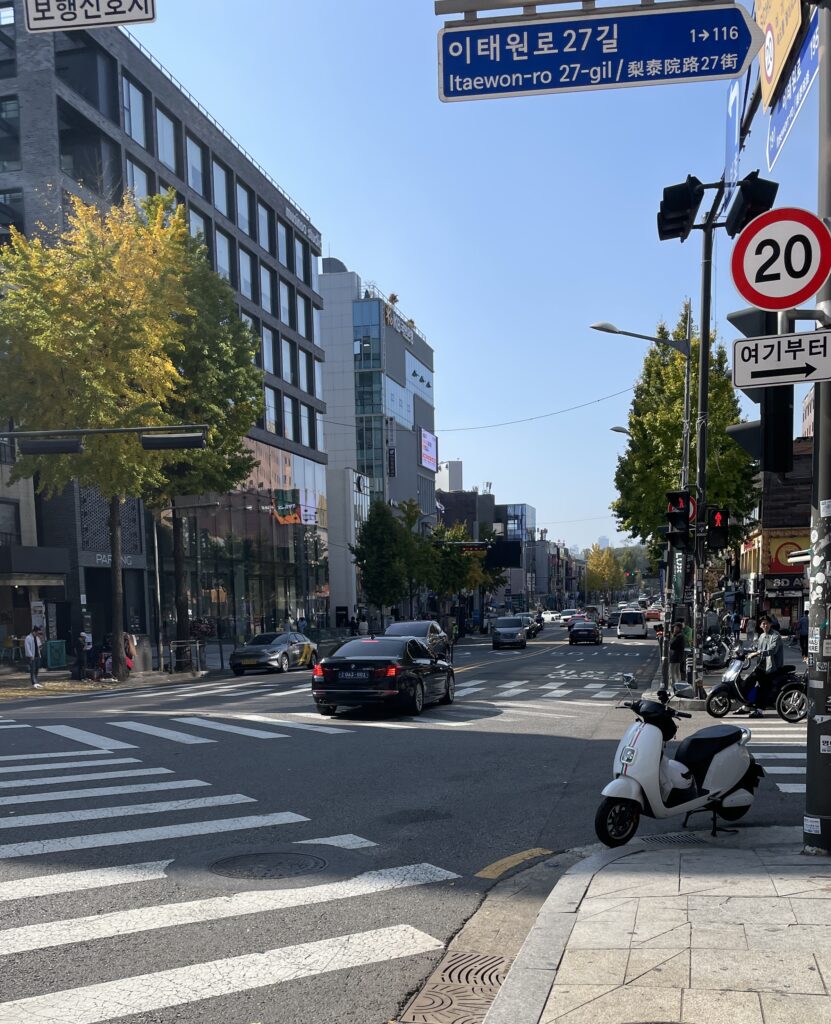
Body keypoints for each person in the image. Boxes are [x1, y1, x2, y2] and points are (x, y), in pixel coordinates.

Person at [735, 614, 783, 717]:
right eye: (763, 624)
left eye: (767, 623)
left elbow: (772, 650)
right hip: (761, 665)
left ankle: (759, 710)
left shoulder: (775, 636)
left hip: (771, 667)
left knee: (763, 687)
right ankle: (747, 705)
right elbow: (756, 648)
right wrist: (744, 652)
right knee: (748, 682)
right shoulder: (761, 636)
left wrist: (757, 653)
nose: (765, 626)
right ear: (760, 625)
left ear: (770, 624)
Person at [668, 622, 685, 695]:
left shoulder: (679, 636)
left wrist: (672, 636)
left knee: (673, 673)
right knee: (676, 673)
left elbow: (671, 644)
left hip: (675, 657)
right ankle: (677, 686)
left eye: (675, 628)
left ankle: (674, 687)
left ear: (679, 628)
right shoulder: (679, 636)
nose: (674, 629)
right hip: (676, 657)